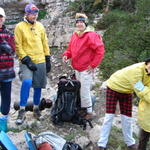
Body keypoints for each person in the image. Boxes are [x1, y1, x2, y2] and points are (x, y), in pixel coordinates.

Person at [95, 59, 150, 150]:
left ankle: (130, 142)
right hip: (114, 87)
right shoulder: (137, 71)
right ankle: (102, 144)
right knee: (109, 116)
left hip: (127, 91)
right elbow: (140, 91)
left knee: (127, 118)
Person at [62, 13, 104, 120]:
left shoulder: (91, 35)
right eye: (78, 22)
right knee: (79, 89)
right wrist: (66, 55)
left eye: (82, 22)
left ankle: (89, 112)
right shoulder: (75, 35)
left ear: (85, 23)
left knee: (84, 91)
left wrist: (93, 65)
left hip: (86, 69)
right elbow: (70, 49)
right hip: (77, 68)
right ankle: (82, 108)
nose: (79, 24)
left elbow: (100, 51)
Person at [14, 3, 51, 125]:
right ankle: (22, 109)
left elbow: (44, 42)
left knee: (38, 86)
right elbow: (18, 45)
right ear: (26, 13)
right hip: (26, 60)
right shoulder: (19, 26)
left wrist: (47, 58)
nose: (34, 16)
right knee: (27, 82)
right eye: (31, 13)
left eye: (35, 13)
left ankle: (36, 109)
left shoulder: (40, 26)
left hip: (40, 59)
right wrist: (26, 60)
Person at [0, 7, 15, 131]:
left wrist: (2, 44)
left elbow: (12, 50)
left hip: (7, 73)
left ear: (4, 18)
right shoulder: (8, 36)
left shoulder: (10, 34)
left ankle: (3, 122)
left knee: (6, 98)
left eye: (0, 17)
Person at [137, 58, 150, 150]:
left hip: (147, 118)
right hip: (146, 118)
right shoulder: (143, 74)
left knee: (142, 140)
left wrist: (142, 88)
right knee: (142, 141)